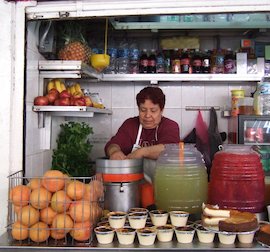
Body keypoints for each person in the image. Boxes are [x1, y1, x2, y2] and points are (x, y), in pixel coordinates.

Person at [105, 86, 180, 160]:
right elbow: (113, 144)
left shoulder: (170, 126)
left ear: (161, 110)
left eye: (153, 110)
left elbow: (169, 149)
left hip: (160, 171)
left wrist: (142, 152)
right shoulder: (130, 124)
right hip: (132, 171)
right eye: (143, 110)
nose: (147, 115)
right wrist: (114, 152)